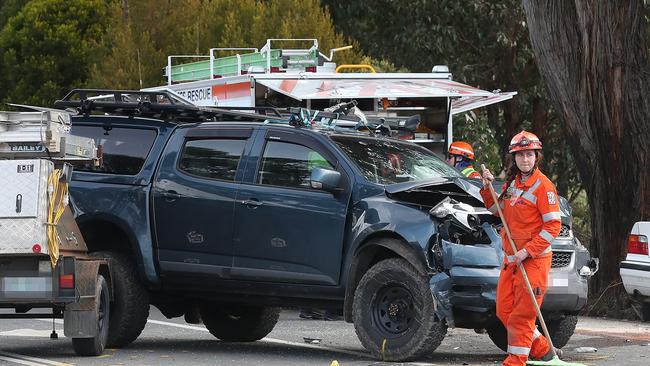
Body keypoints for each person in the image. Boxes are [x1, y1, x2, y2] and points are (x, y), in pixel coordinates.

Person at [480, 131, 563, 366]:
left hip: (532, 261)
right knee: (504, 311)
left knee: (522, 315)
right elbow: (497, 211)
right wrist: (487, 187)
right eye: (520, 155)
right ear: (514, 158)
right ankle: (544, 350)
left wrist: (526, 252)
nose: (525, 159)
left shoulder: (544, 187)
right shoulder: (512, 184)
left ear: (536, 157)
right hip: (511, 260)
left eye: (529, 154)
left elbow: (553, 226)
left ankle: (516, 360)